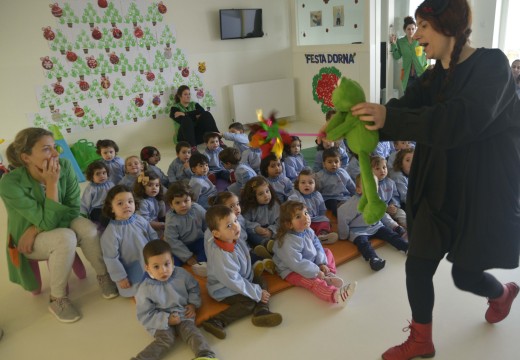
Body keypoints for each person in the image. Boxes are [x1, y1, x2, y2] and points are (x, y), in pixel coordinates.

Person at [351, 0, 520, 358]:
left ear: (450, 26)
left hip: (480, 191)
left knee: (465, 276)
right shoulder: (431, 76)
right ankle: (421, 339)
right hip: (436, 184)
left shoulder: (492, 65)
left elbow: (457, 121)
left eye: (425, 27)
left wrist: (390, 119)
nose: (419, 35)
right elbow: (402, 110)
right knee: (418, 264)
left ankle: (502, 294)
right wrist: (355, 124)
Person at [0, 128, 118, 323]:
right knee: (65, 237)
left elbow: (72, 209)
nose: (55, 153)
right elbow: (50, 220)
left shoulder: (64, 165)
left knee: (87, 228)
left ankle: (103, 275)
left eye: (54, 147)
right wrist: (52, 184)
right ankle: (57, 298)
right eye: (47, 149)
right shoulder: (10, 183)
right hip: (27, 241)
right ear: (26, 157)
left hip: (41, 228)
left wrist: (36, 227)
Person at [202, 205, 283, 340]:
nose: (235, 226)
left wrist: (255, 287)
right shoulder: (221, 255)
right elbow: (233, 281)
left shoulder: (232, 238)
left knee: (261, 280)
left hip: (243, 278)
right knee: (248, 302)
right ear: (216, 234)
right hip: (224, 289)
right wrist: (256, 292)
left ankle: (261, 311)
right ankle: (217, 321)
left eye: (235, 221)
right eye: (228, 225)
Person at [132, 240, 217, 360]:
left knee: (192, 332)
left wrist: (193, 304)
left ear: (172, 261)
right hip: (160, 320)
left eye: (167, 264)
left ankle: (205, 355)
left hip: (183, 312)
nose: (163, 270)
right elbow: (145, 314)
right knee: (166, 340)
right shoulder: (145, 289)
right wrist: (166, 319)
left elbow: (194, 288)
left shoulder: (182, 274)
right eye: (156, 267)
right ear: (148, 268)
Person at [272, 200, 356, 305]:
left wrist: (321, 263)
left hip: (308, 261)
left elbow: (317, 244)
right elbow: (296, 263)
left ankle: (328, 275)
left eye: (306, 213)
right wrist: (316, 272)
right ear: (289, 224)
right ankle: (335, 295)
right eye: (298, 217)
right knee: (313, 282)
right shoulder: (287, 241)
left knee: (327, 252)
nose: (305, 217)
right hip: (292, 270)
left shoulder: (307, 230)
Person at [337, 175, 408, 271]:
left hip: (376, 226)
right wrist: (344, 235)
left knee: (391, 235)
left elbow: (382, 214)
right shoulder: (353, 204)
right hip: (358, 231)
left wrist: (394, 225)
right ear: (358, 190)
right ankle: (373, 259)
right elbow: (342, 216)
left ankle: (406, 247)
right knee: (363, 244)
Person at [101, 185, 159, 297]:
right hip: (132, 269)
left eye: (130, 201)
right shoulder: (111, 233)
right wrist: (121, 277)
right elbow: (111, 258)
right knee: (142, 293)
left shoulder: (140, 219)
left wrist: (159, 253)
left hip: (151, 261)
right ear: (111, 208)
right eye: (120, 203)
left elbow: (153, 236)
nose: (126, 205)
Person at [206, 192, 275, 276]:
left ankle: (265, 244)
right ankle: (258, 261)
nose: (237, 208)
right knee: (247, 254)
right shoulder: (217, 229)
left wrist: (256, 228)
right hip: (239, 245)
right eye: (231, 206)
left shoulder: (239, 216)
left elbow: (247, 224)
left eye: (237, 204)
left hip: (244, 239)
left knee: (253, 234)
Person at [288, 168, 338, 244]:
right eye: (303, 182)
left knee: (325, 222)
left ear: (315, 184)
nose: (306, 185)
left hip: (316, 220)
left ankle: (322, 236)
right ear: (298, 184)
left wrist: (321, 218)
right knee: (297, 227)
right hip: (303, 221)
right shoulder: (295, 195)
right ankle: (307, 238)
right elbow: (291, 207)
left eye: (310, 182)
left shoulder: (317, 195)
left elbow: (322, 210)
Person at [164, 181, 207, 267]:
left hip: (198, 241)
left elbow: (208, 224)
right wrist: (188, 257)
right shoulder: (171, 219)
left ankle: (201, 264)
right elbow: (172, 241)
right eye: (177, 203)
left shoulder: (197, 209)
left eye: (186, 201)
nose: (183, 205)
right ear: (171, 205)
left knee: (207, 249)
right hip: (180, 244)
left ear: (191, 199)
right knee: (172, 262)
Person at [169, 85, 221, 151]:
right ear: (179, 96)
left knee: (206, 114)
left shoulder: (194, 104)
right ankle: (193, 148)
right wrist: (194, 115)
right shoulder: (175, 108)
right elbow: (178, 118)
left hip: (197, 137)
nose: (188, 96)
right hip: (184, 139)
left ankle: (217, 139)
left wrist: (185, 113)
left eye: (189, 94)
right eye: (185, 94)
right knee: (186, 120)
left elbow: (202, 111)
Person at [241, 176, 280, 254]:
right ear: (253, 197)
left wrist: (271, 231)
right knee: (250, 234)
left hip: (271, 231)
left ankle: (272, 247)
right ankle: (266, 245)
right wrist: (256, 228)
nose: (266, 195)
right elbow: (244, 221)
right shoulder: (250, 208)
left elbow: (279, 221)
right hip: (257, 232)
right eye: (261, 194)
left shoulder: (275, 204)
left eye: (267, 191)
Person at [390, 16, 428, 92]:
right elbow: (397, 56)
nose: (411, 31)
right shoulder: (400, 42)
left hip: (421, 72)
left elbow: (428, 52)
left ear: (415, 29)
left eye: (413, 29)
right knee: (408, 96)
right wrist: (393, 44)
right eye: (408, 29)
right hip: (407, 75)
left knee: (422, 95)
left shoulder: (420, 40)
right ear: (405, 30)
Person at [315, 148, 356, 217]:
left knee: (353, 204)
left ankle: (351, 215)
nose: (333, 164)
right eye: (330, 162)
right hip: (329, 198)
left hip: (344, 197)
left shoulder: (343, 172)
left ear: (340, 163)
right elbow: (317, 192)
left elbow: (351, 186)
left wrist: (356, 195)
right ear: (324, 164)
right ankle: (343, 216)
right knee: (334, 205)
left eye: (336, 162)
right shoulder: (319, 176)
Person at [371, 156, 407, 229]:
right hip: (379, 211)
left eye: (384, 167)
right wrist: (385, 209)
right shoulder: (370, 185)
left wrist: (394, 205)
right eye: (377, 168)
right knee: (386, 218)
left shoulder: (390, 182)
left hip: (391, 208)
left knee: (402, 214)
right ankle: (398, 229)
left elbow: (395, 196)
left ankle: (410, 227)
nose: (382, 171)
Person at [80, 160, 114, 225]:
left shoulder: (110, 184)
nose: (102, 176)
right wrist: (84, 214)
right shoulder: (91, 188)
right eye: (98, 174)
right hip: (97, 209)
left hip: (110, 206)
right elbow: (85, 202)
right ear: (91, 176)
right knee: (104, 218)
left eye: (104, 173)